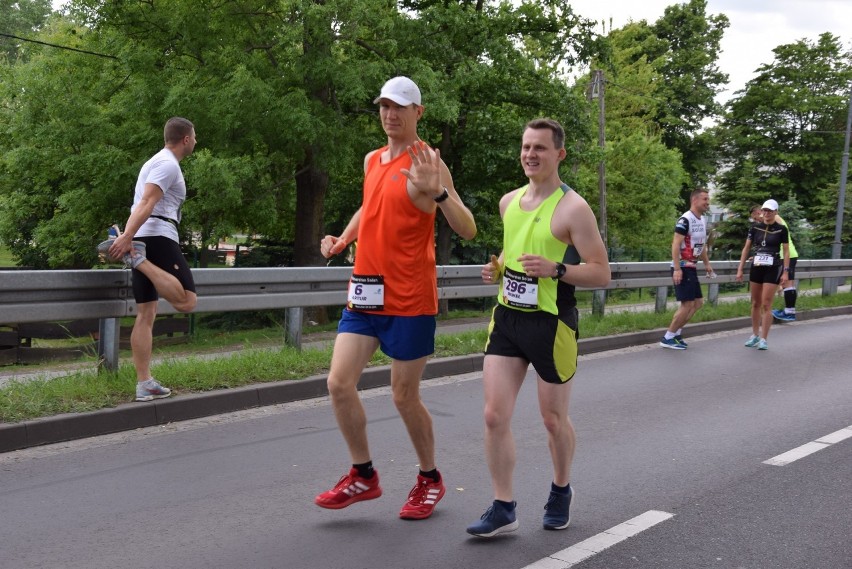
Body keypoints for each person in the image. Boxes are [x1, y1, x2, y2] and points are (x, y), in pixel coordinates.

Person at [315, 76, 477, 520]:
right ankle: (363, 474)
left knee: (403, 396)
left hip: (409, 297)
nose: (390, 114)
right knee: (337, 383)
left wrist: (440, 191)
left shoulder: (429, 162)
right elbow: (371, 204)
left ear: (417, 113)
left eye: (400, 107)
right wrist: (345, 239)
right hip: (366, 292)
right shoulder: (373, 159)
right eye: (385, 106)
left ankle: (430, 479)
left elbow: (467, 228)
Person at [465, 118, 610, 538]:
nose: (531, 154)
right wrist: (497, 268)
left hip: (552, 324)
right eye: (526, 147)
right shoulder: (508, 202)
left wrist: (558, 268)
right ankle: (503, 504)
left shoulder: (573, 209)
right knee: (494, 415)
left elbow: (602, 274)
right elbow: (515, 251)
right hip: (509, 319)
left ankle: (561, 489)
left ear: (559, 154)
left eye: (540, 148)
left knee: (552, 420)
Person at [97, 117, 198, 401]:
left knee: (146, 313)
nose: (196, 141)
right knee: (187, 301)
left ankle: (144, 383)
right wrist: (128, 237)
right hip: (157, 235)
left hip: (143, 235)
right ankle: (137, 260)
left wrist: (130, 235)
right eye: (195, 137)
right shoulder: (167, 164)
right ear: (186, 139)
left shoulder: (153, 161)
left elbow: (142, 202)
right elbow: (147, 202)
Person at [659, 188, 715, 350]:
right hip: (683, 267)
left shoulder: (702, 220)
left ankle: (676, 334)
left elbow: (701, 245)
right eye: (705, 199)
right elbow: (676, 244)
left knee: (697, 303)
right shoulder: (685, 220)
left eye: (708, 199)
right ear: (695, 200)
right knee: (687, 304)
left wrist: (707, 264)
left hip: (693, 266)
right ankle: (668, 337)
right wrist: (677, 269)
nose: (707, 202)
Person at [735, 199, 790, 350]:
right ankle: (754, 335)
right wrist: (740, 268)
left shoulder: (781, 229)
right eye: (764, 210)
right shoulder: (755, 227)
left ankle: (764, 339)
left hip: (773, 267)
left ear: (775, 212)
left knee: (766, 303)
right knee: (755, 303)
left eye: (770, 211)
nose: (766, 213)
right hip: (757, 266)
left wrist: (786, 272)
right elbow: (746, 248)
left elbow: (786, 251)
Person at [771, 208, 799, 322]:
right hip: (787, 255)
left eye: (755, 217)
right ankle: (789, 311)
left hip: (787, 255)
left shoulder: (775, 218)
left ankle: (789, 312)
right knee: (788, 284)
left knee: (787, 284)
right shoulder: (774, 219)